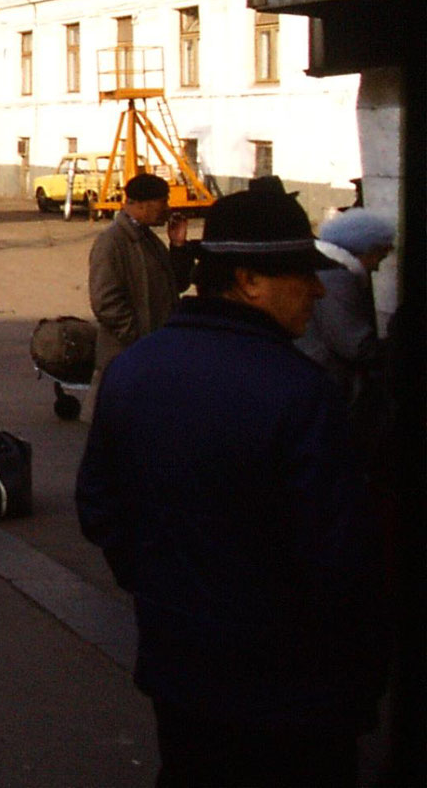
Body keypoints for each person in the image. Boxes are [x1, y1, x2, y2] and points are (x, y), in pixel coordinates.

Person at [77, 187, 387, 787]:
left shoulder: (134, 371)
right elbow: (340, 561)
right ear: (248, 281)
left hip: (178, 668)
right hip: (290, 693)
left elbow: (99, 509)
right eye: (300, 275)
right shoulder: (302, 394)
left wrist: (164, 587)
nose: (318, 290)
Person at [299, 208, 398, 469]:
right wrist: (394, 348)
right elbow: (353, 344)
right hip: (331, 384)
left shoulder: (331, 272)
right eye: (379, 257)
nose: (377, 267)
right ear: (366, 249)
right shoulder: (338, 278)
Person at [87, 172, 193, 401]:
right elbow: (105, 302)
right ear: (143, 205)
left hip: (151, 356)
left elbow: (177, 284)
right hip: (127, 359)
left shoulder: (149, 241)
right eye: (163, 201)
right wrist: (138, 339)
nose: (167, 208)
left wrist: (178, 245)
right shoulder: (112, 242)